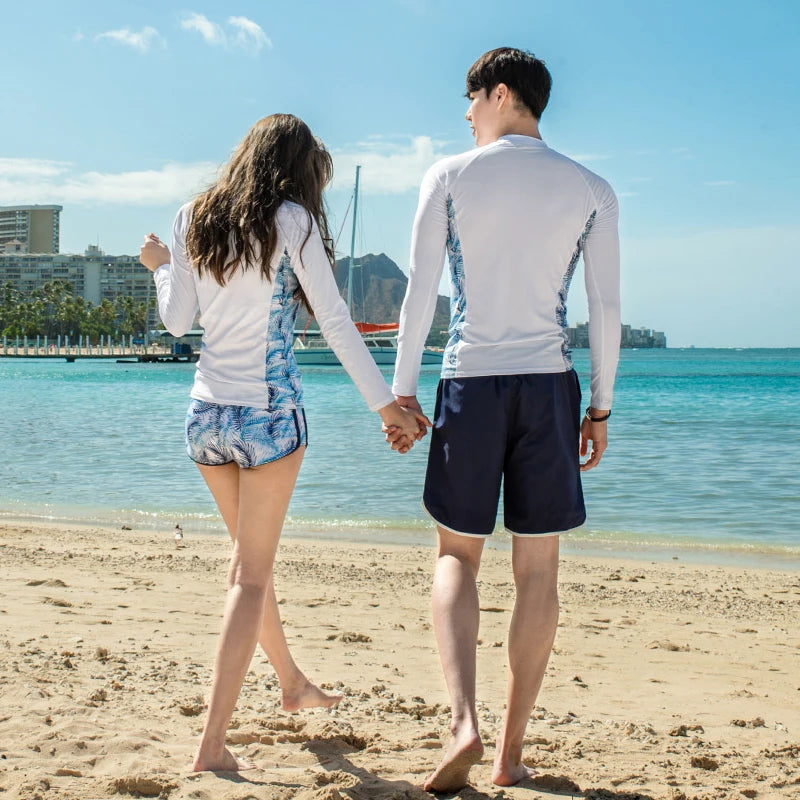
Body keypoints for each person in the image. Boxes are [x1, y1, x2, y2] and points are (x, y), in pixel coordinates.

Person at [139, 113, 426, 773]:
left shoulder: (191, 216)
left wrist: (161, 267)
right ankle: (212, 746)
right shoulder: (292, 220)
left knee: (249, 565)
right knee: (249, 575)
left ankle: (292, 684)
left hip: (206, 419)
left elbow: (177, 322)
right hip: (268, 419)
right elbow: (334, 321)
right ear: (297, 170)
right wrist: (387, 407)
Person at [389, 47, 620, 791]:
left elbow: (422, 289)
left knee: (457, 557)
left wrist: (403, 392)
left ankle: (463, 721)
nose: (465, 116)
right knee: (538, 570)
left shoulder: (450, 176)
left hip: (470, 382)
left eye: (469, 100)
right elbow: (605, 308)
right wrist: (600, 406)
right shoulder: (591, 187)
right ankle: (509, 754)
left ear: (498, 93)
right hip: (549, 385)